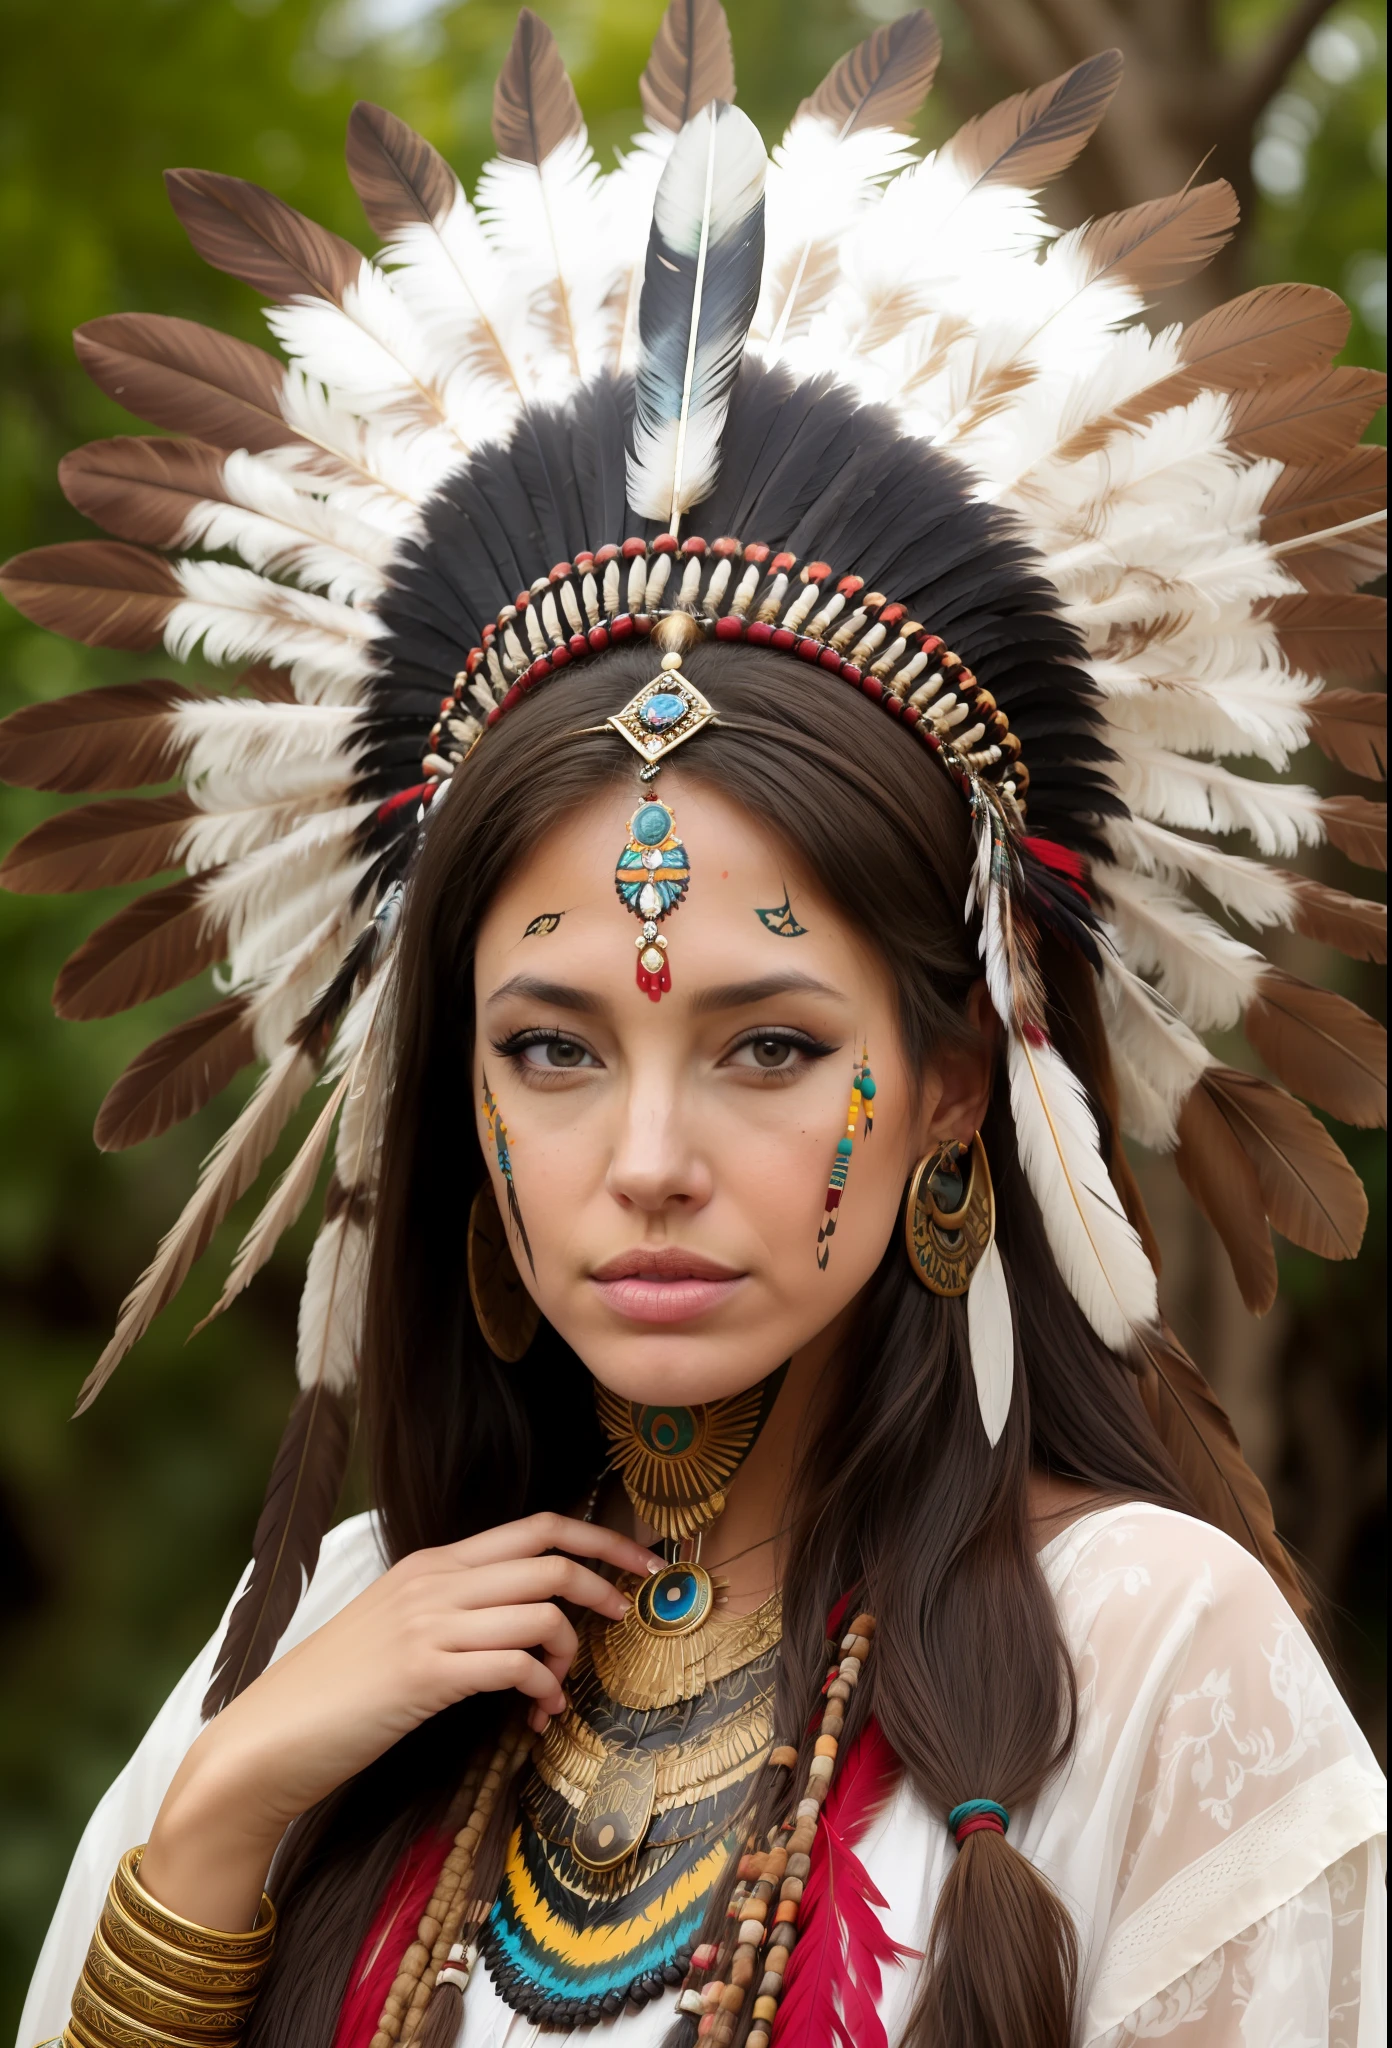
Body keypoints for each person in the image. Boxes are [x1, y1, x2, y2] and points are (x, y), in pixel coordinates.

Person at [5, 7, 1385, 2046]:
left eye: (765, 1047)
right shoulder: (331, 1633)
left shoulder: (1153, 1658)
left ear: (946, 1092)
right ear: (460, 1092)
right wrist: (215, 1822)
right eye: (554, 1048)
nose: (645, 1158)